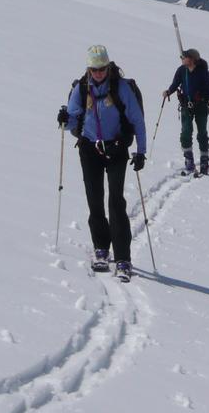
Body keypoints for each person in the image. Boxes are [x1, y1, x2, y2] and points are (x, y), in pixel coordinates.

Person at [57, 45, 146, 282]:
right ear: (88, 69)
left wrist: (141, 152)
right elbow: (72, 120)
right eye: (94, 69)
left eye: (102, 69)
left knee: (116, 201)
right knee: (94, 200)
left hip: (116, 149)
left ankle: (123, 258)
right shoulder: (81, 88)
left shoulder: (121, 87)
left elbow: (137, 120)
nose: (98, 73)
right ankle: (101, 248)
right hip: (89, 150)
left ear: (108, 67)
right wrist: (64, 119)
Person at [162, 49, 209, 175]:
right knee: (186, 132)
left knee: (202, 133)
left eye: (184, 57)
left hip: (201, 105)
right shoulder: (181, 70)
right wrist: (168, 92)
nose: (182, 58)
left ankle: (204, 162)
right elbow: (175, 84)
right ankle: (189, 160)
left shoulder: (203, 72)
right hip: (186, 105)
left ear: (192, 59)